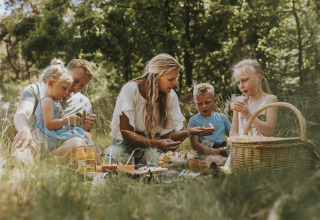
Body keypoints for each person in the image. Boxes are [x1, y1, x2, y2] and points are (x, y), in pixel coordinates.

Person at [104, 53, 212, 165]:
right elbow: (126, 133)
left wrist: (189, 132)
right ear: (157, 77)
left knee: (159, 159)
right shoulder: (131, 89)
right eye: (171, 79)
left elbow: (167, 136)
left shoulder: (170, 95)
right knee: (112, 157)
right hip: (125, 145)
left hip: (151, 145)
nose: (175, 83)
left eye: (176, 78)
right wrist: (159, 144)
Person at [11, 58, 96, 158]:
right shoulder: (35, 89)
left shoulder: (84, 103)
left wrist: (84, 129)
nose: (77, 88)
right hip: (34, 143)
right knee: (19, 155)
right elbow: (22, 113)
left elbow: (86, 137)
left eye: (82, 86)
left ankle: (43, 165)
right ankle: (36, 163)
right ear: (65, 72)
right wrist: (24, 130)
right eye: (76, 81)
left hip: (62, 150)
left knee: (78, 144)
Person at [33, 59, 93, 154]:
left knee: (87, 135)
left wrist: (84, 126)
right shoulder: (47, 100)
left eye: (82, 86)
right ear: (51, 83)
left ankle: (94, 160)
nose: (76, 88)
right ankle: (95, 161)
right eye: (64, 88)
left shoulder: (54, 101)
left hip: (54, 134)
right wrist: (68, 119)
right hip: (48, 136)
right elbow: (49, 124)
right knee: (84, 137)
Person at [226, 59, 278, 166]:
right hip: (242, 153)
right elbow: (233, 132)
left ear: (259, 77)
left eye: (244, 80)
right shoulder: (239, 102)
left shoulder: (270, 100)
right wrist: (235, 145)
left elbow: (269, 131)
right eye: (238, 82)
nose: (241, 86)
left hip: (262, 153)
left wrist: (248, 114)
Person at [188, 83, 231, 160]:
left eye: (207, 102)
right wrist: (213, 151)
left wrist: (228, 148)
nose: (204, 106)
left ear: (214, 101)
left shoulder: (222, 117)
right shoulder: (193, 121)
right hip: (205, 155)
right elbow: (195, 144)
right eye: (200, 104)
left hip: (223, 152)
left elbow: (232, 136)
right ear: (195, 104)